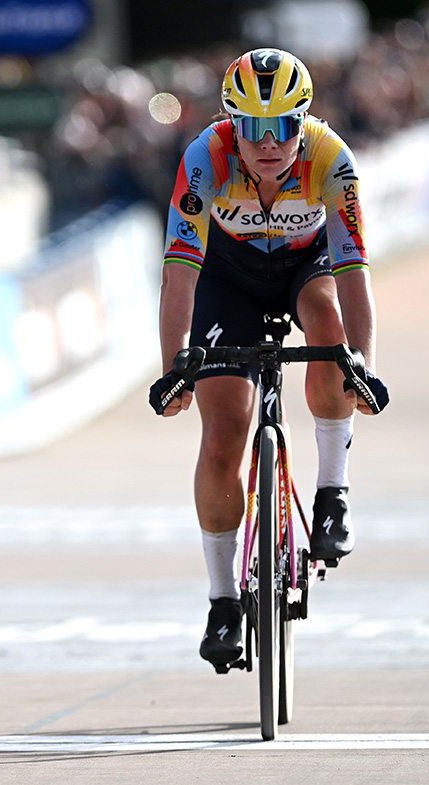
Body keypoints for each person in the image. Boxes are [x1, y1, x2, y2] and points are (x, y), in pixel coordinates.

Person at [153, 49, 389, 668]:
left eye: (282, 126)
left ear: (302, 123)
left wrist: (360, 362)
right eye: (252, 128)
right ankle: (223, 602)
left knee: (331, 331)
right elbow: (179, 274)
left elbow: (354, 271)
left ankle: (332, 494)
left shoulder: (331, 160)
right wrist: (175, 363)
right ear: (232, 123)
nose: (267, 143)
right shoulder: (205, 158)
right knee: (224, 433)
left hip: (304, 271)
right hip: (225, 278)